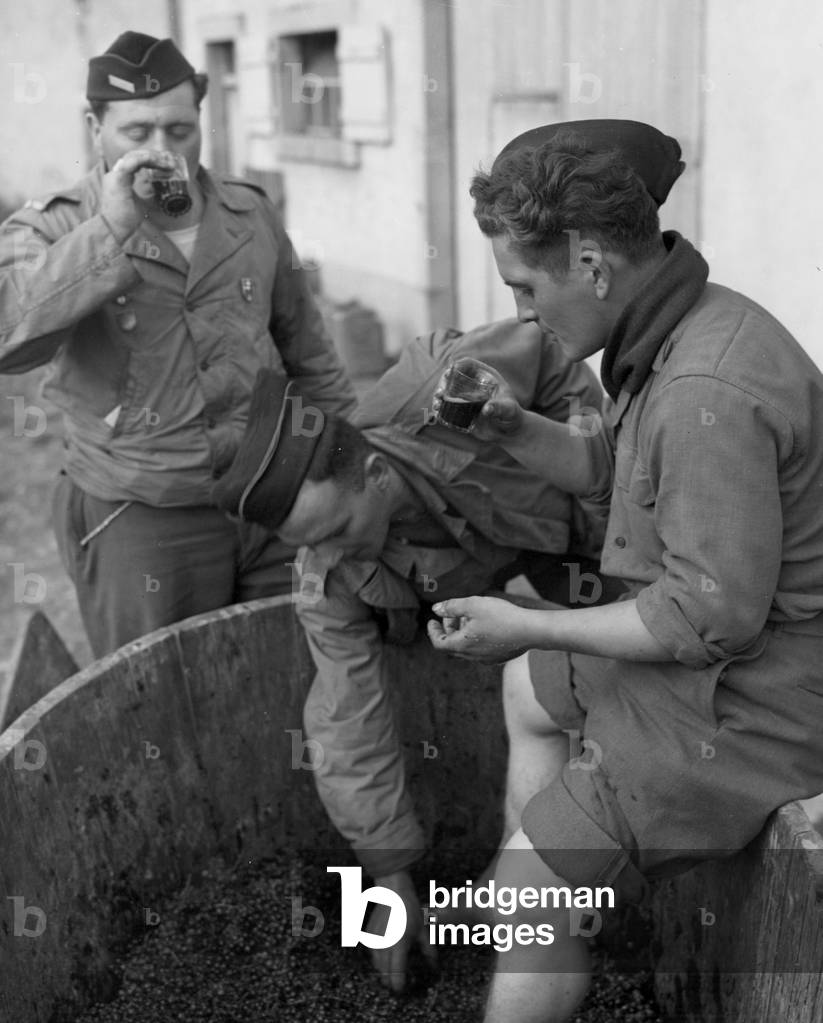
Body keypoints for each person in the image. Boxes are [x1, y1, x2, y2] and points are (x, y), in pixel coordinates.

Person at [427, 119, 823, 1022]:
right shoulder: (677, 325)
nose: (522, 313)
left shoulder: (704, 389)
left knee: (534, 895)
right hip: (706, 648)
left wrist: (525, 620)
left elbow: (700, 621)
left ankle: (534, 901)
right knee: (529, 692)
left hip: (756, 695)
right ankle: (529, 884)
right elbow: (616, 474)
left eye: (526, 287)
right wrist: (507, 427)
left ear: (592, 264)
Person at [211, 317, 620, 992]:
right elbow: (349, 721)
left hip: (563, 527)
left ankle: (569, 874)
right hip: (478, 564)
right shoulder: (328, 577)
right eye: (314, 544)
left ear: (373, 472)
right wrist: (390, 875)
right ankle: (513, 885)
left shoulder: (450, 387)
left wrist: (589, 468)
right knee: (545, 691)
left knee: (650, 656)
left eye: (339, 530)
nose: (332, 556)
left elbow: (549, 348)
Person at [0, 31, 355, 657]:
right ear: (95, 127)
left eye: (180, 129)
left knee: (285, 678)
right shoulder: (55, 225)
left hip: (270, 499)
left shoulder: (249, 212)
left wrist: (349, 466)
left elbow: (309, 352)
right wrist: (111, 227)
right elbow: (8, 337)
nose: (162, 150)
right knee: (164, 701)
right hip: (143, 515)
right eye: (137, 133)